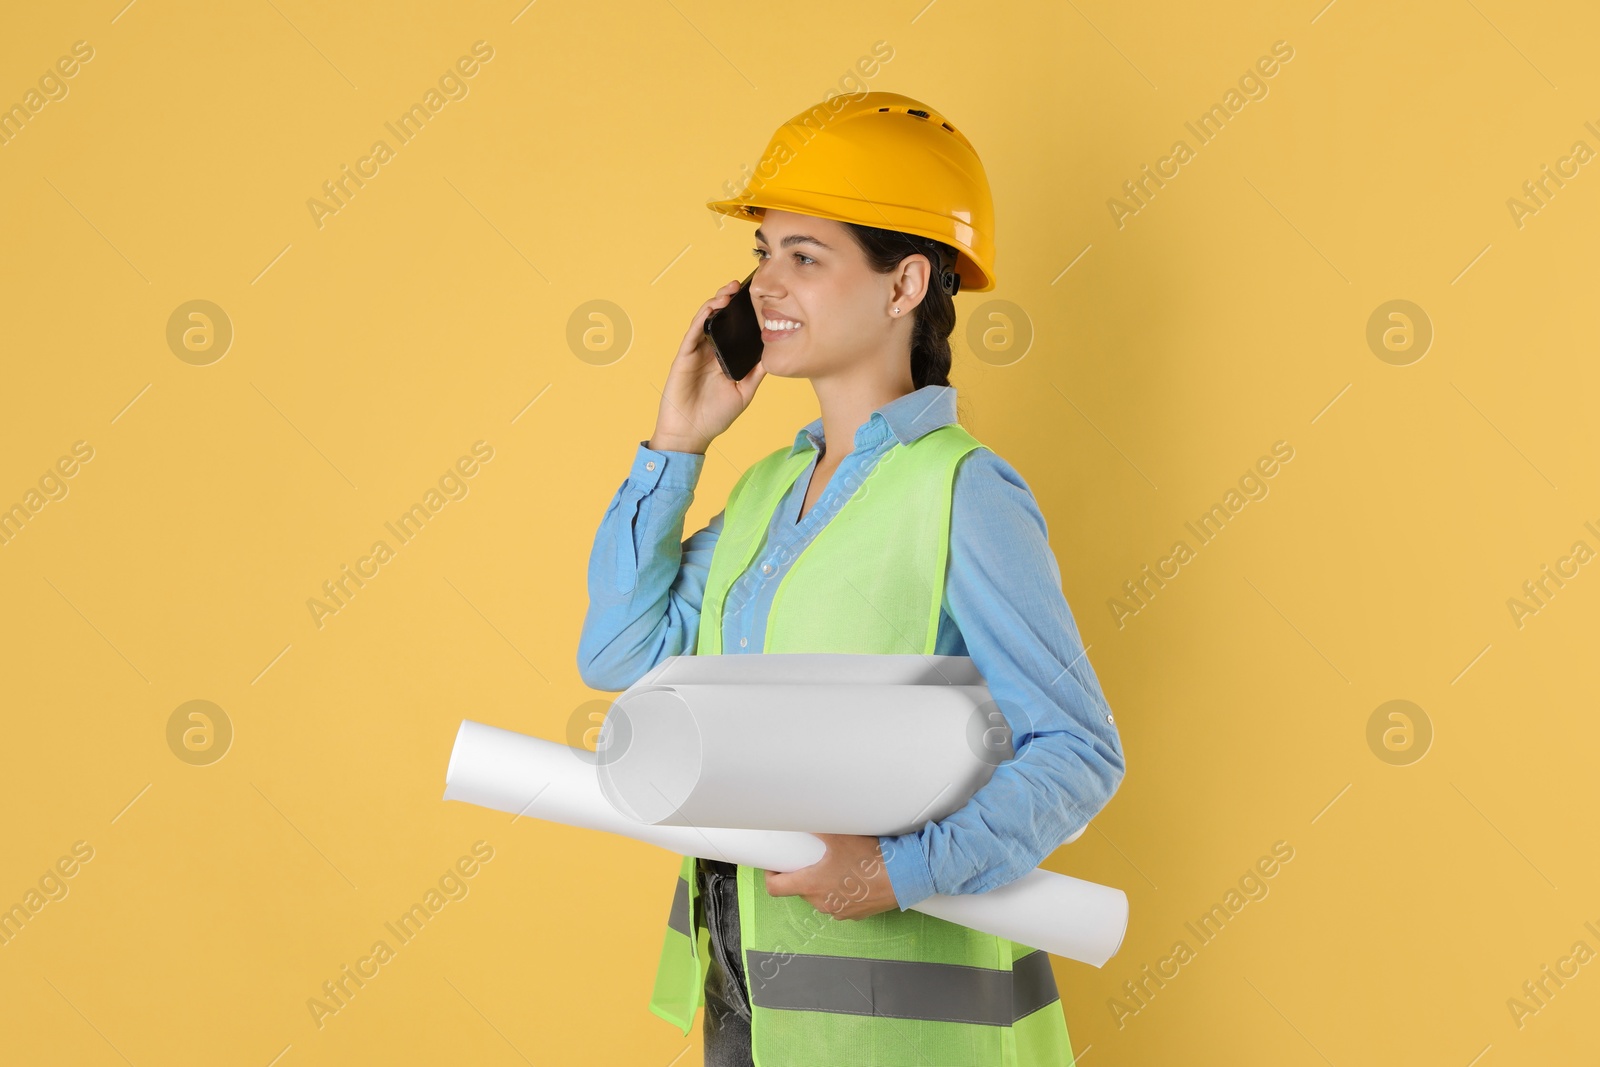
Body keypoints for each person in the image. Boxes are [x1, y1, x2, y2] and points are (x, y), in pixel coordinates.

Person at [576, 92, 1125, 1067]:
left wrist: (894, 867)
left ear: (904, 282)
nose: (765, 287)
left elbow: (1076, 751)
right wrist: (677, 444)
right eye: (762, 255)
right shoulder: (763, 492)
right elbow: (622, 655)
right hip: (746, 992)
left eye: (804, 256)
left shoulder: (962, 491)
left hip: (905, 1031)